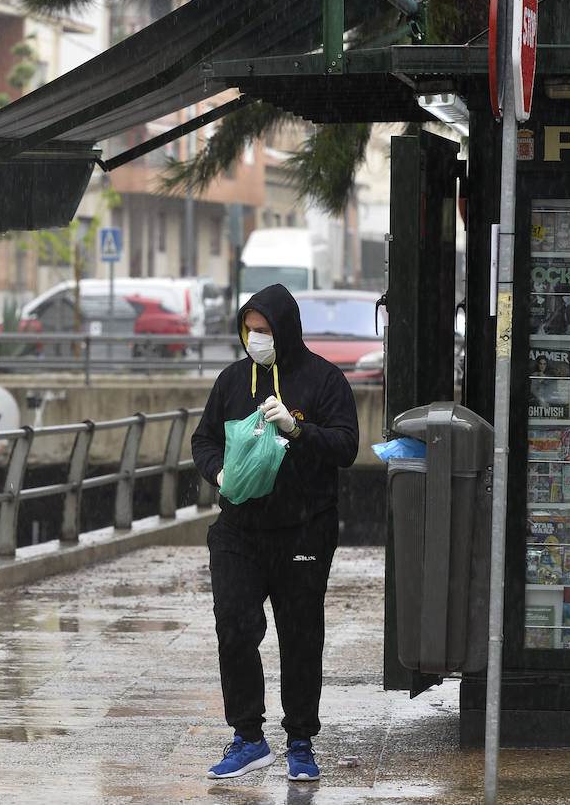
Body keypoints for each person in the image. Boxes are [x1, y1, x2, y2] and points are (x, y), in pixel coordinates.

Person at [190, 284, 358, 783]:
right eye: (249, 330)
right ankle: (248, 736)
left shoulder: (325, 381)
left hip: (304, 530)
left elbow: (347, 447)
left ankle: (301, 740)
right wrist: (218, 472)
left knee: (301, 636)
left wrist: (296, 429)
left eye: (264, 330)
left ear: (285, 329)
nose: (255, 339)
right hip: (239, 529)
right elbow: (203, 438)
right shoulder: (231, 381)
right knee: (235, 627)